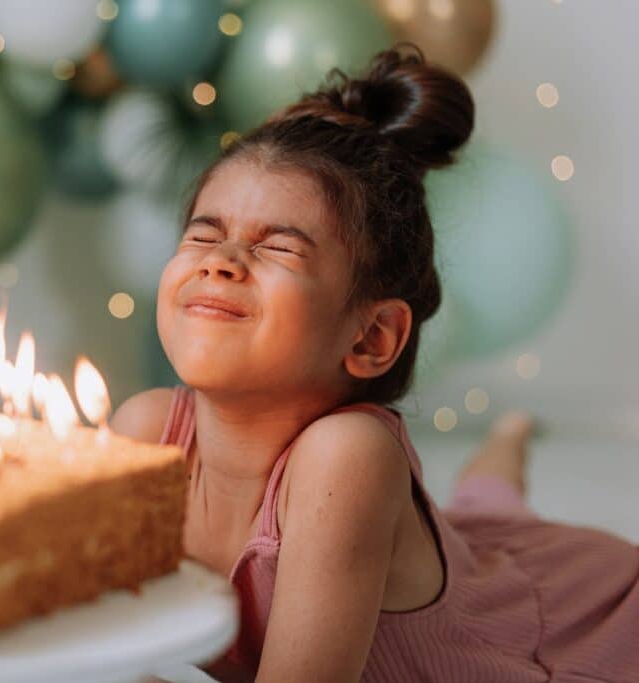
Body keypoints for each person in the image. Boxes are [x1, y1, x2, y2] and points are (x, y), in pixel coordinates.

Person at [114, 44, 639, 683]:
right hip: (475, 552)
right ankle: (509, 437)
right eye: (202, 233)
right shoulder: (144, 435)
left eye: (279, 247)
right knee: (485, 511)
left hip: (570, 629)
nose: (219, 261)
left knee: (492, 534)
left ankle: (508, 441)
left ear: (371, 337)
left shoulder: (347, 456)